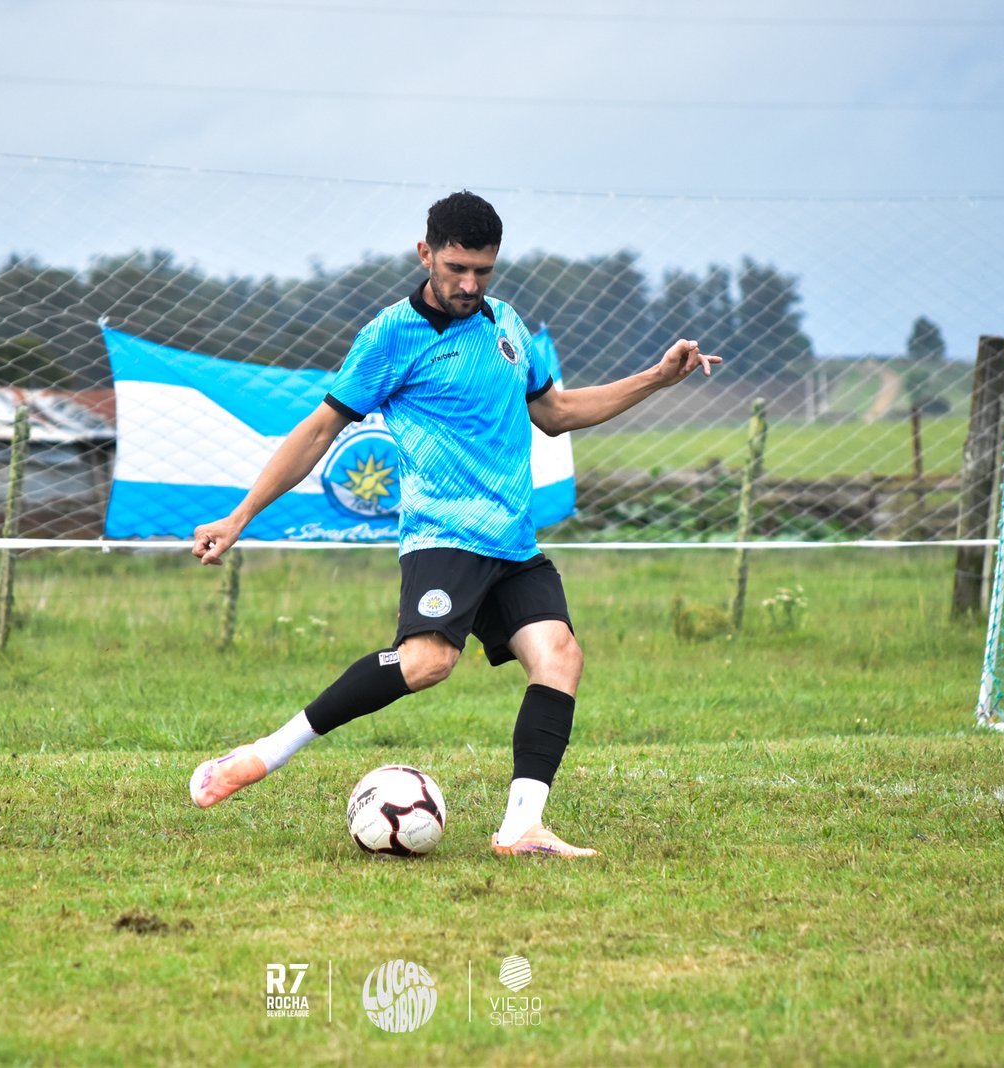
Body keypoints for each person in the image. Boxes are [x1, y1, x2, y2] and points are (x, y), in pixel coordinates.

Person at [189, 190, 719, 857]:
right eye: (456, 268)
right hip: (443, 535)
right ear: (426, 254)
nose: (470, 284)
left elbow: (555, 413)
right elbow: (319, 429)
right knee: (428, 661)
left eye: (483, 270)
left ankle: (522, 826)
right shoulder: (389, 337)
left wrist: (657, 379)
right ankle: (264, 753)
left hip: (513, 541)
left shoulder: (507, 324)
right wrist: (240, 516)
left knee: (559, 656)